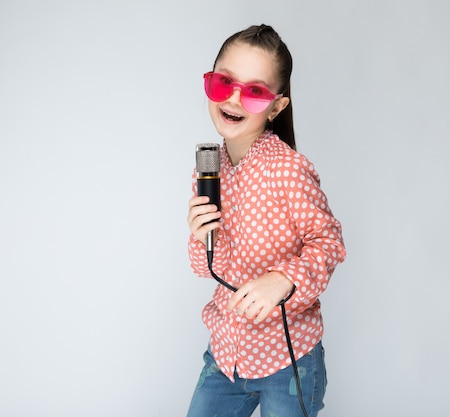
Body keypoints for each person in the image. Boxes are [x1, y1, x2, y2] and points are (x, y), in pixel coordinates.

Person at [186, 24, 346, 417]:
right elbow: (206, 268)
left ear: (276, 106)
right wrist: (199, 234)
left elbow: (329, 243)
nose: (235, 98)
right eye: (225, 82)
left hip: (287, 360)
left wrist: (283, 279)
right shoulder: (208, 170)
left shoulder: (288, 169)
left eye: (255, 91)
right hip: (226, 354)